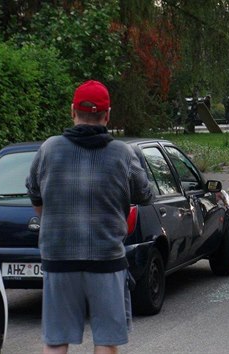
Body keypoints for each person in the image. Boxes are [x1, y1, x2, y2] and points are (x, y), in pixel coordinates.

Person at [26, 80, 152, 354]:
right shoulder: (122, 153)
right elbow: (145, 194)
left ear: (73, 111)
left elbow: (34, 194)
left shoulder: (49, 149)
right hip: (106, 259)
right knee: (106, 340)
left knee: (56, 340)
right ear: (107, 115)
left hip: (59, 259)